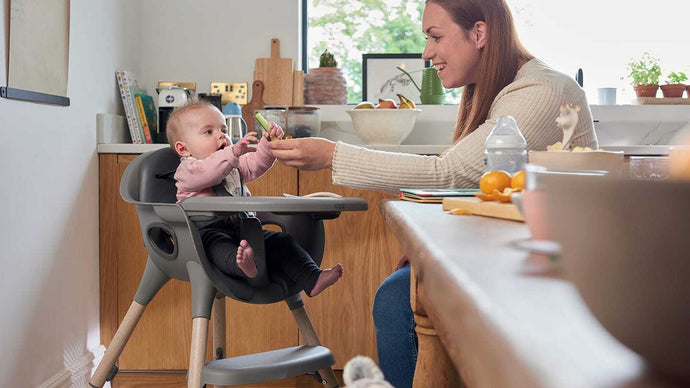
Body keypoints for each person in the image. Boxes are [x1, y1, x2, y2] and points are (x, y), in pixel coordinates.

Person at [268, 0, 598, 386]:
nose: (427, 53)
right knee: (399, 294)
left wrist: (332, 155)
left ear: (479, 33)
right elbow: (482, 183)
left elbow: (450, 172)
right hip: (517, 252)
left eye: (435, 37)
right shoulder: (495, 91)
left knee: (397, 302)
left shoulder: (539, 91)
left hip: (564, 268)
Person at [166, 99, 343, 298]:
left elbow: (255, 164)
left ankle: (312, 277)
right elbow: (208, 172)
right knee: (218, 248)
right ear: (183, 149)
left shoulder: (231, 163)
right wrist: (231, 153)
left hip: (244, 228)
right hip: (206, 232)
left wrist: (266, 145)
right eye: (209, 132)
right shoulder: (187, 170)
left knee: (281, 242)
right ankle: (243, 266)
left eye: (223, 129)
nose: (221, 135)